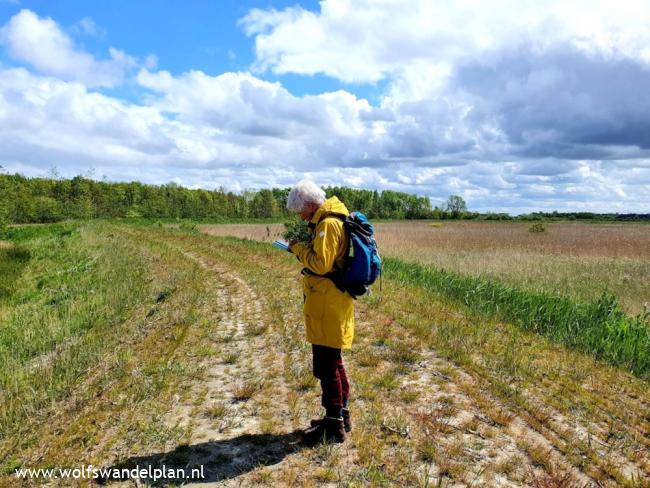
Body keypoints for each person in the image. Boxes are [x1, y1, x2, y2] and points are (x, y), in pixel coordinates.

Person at [286, 180, 354, 444]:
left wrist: (297, 248)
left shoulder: (328, 224)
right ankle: (339, 416)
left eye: (301, 211)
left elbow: (321, 264)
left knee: (327, 366)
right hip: (331, 300)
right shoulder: (333, 218)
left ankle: (334, 426)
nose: (301, 217)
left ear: (311, 205)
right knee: (334, 362)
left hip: (328, 302)